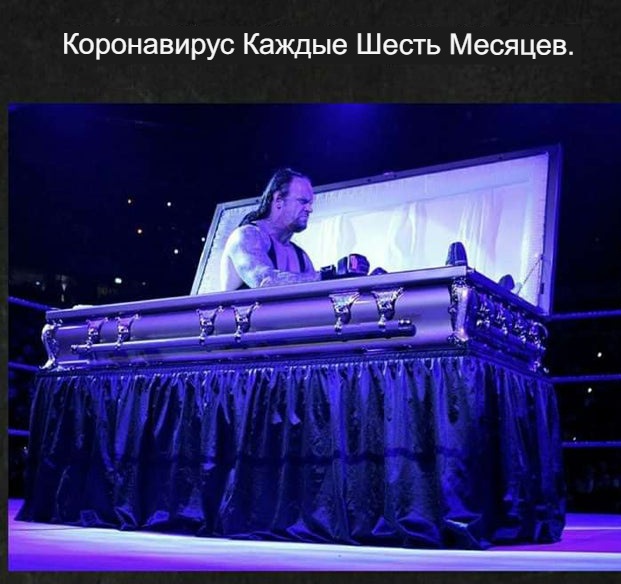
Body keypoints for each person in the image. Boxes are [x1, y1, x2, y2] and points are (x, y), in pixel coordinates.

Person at [220, 168, 321, 290]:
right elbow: (266, 282)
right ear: (278, 200)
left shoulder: (302, 257)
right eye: (302, 201)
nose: (310, 209)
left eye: (310, 203)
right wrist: (324, 277)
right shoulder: (246, 235)